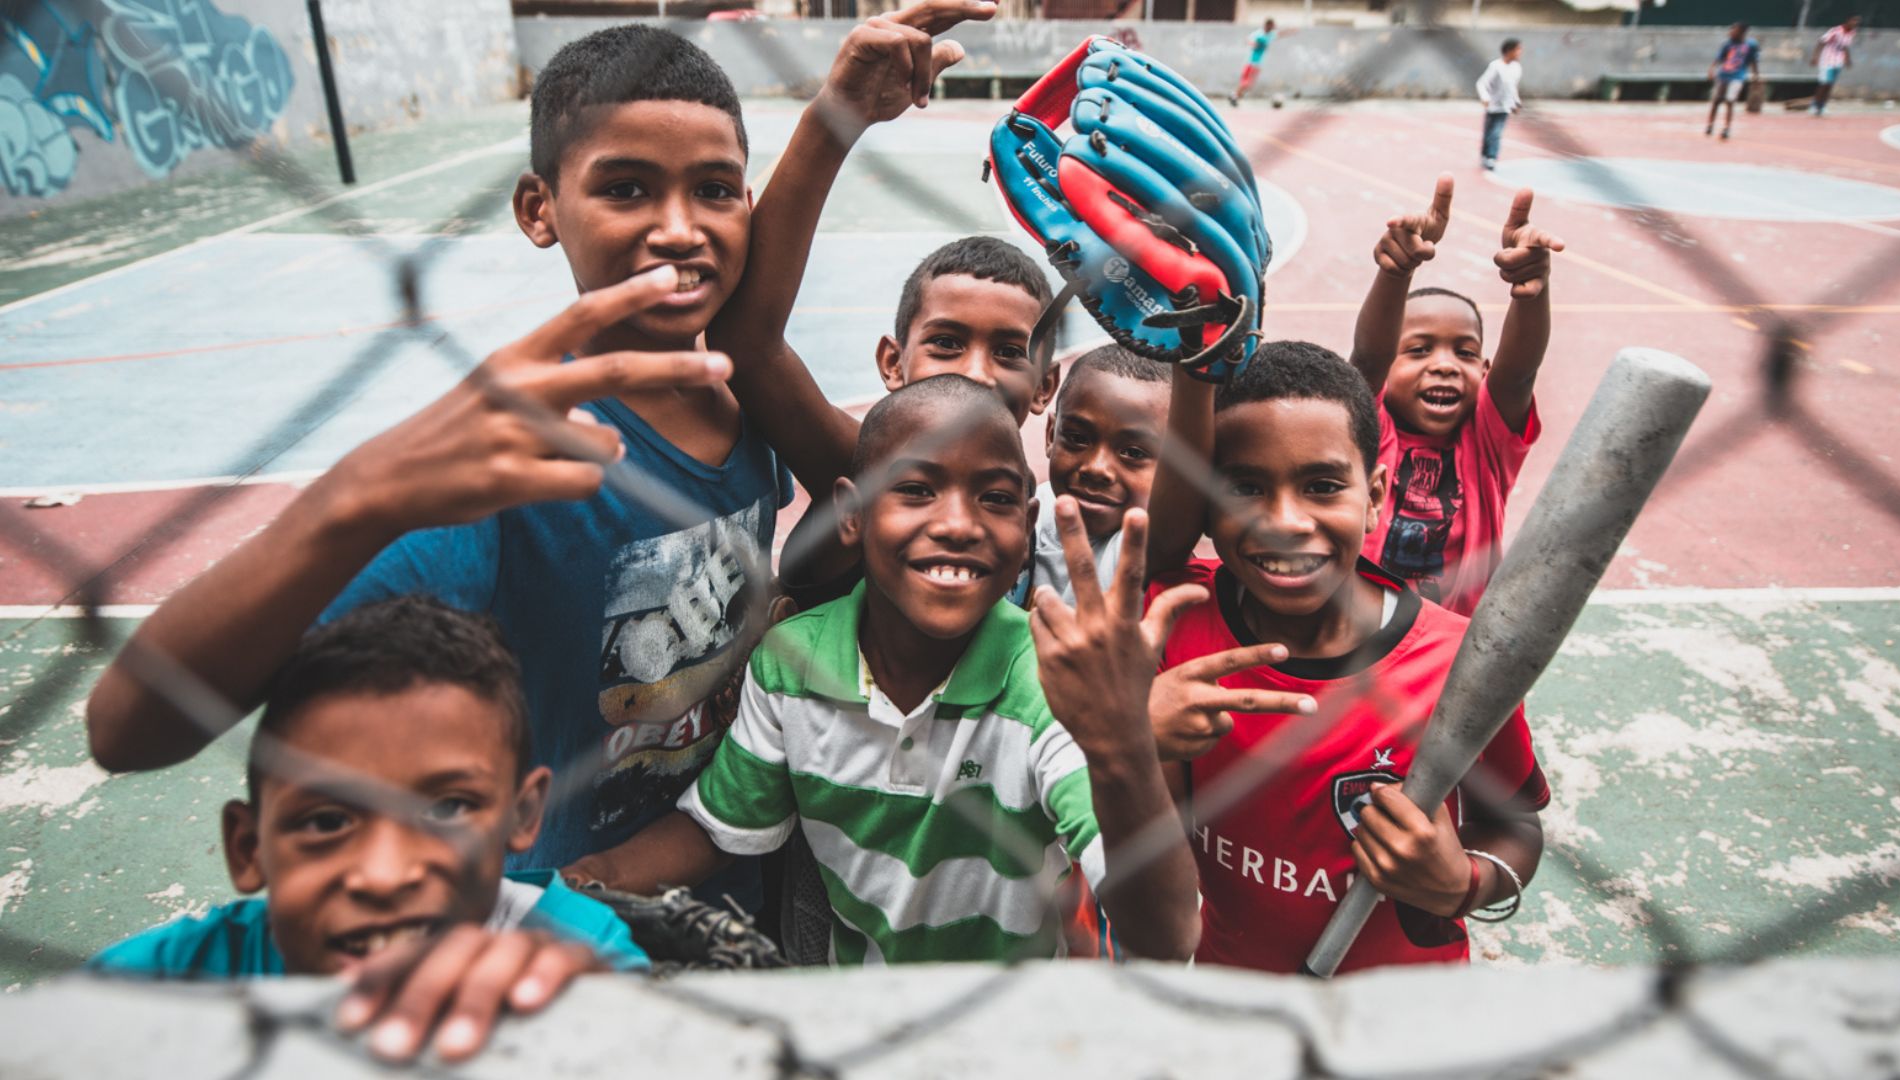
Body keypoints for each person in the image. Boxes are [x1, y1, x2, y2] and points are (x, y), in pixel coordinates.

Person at [85, 25, 815, 912]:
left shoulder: (747, 407)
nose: (678, 229)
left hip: (729, 858)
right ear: (538, 209)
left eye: (713, 191)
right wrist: (356, 498)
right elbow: (127, 728)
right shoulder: (510, 459)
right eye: (625, 189)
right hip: (561, 911)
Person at [560, 376, 1203, 964]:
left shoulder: (1048, 685)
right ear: (852, 513)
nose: (957, 524)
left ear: (1026, 524)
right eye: (916, 490)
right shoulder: (790, 662)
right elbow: (716, 829)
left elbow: (1165, 935)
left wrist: (1122, 747)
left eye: (996, 498)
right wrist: (586, 883)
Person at [91, 597, 650, 1064]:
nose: (384, 877)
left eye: (448, 809)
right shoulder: (161, 981)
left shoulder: (574, 957)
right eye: (327, 821)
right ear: (248, 847)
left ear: (522, 815)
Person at [1143, 342, 1551, 976]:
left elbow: (1516, 824)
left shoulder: (1458, 663)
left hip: (1404, 1011)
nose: (1284, 521)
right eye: (1245, 487)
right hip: (1232, 988)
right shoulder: (1177, 614)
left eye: (1323, 486)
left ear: (1377, 494)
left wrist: (1462, 884)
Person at [1343, 175, 1561, 615]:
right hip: (1356, 630)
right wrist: (1395, 271)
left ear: (1484, 371)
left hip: (1452, 642)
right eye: (1419, 350)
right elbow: (1367, 359)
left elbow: (1518, 375)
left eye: (1464, 352)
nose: (1444, 364)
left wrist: (1531, 290)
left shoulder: (1487, 443)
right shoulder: (1368, 429)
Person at [1033, 344, 1171, 607]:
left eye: (1133, 452)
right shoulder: (1029, 508)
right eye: (1077, 439)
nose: (1096, 468)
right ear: (1051, 434)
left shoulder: (1144, 544)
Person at [1474, 39, 1522, 171]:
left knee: (1497, 132)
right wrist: (1485, 97)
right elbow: (1481, 83)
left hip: (1504, 107)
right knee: (1488, 133)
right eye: (1517, 49)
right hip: (1492, 106)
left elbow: (1513, 88)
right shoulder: (1496, 66)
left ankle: (1491, 157)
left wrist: (1516, 102)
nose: (1520, 52)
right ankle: (1485, 154)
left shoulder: (1516, 68)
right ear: (1509, 50)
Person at [1707, 22, 1759, 140]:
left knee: (1730, 100)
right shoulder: (1728, 44)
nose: (1730, 32)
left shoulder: (1750, 45)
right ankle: (1710, 124)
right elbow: (1719, 58)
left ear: (1741, 32)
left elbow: (1754, 61)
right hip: (1723, 75)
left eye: (1733, 30)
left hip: (1738, 76)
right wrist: (1712, 69)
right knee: (1716, 101)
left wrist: (1756, 76)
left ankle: (1727, 128)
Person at [1811, 15, 1861, 118]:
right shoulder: (1835, 31)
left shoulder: (1851, 33)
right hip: (1827, 61)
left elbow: (1845, 47)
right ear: (1848, 21)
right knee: (1824, 83)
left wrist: (1847, 59)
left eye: (1857, 23)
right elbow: (1821, 42)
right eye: (1853, 22)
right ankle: (1814, 105)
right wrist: (1815, 57)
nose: (1854, 24)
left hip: (1838, 62)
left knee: (1830, 85)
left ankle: (1822, 106)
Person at [1229, 19, 1279, 108]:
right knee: (1247, 83)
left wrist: (1291, 31)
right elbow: (1248, 40)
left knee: (1247, 84)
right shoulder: (1259, 34)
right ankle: (1234, 95)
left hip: (1256, 63)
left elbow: (1280, 34)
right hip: (1252, 62)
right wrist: (1253, 44)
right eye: (1271, 26)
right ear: (1267, 25)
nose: (1272, 28)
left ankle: (1235, 96)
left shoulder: (1270, 35)